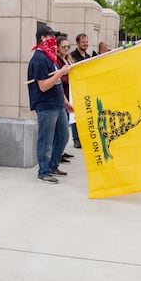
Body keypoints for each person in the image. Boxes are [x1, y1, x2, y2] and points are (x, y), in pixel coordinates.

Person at [27, 25, 72, 183]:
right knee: (46, 140)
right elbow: (43, 86)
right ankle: (43, 172)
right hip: (46, 106)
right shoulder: (39, 59)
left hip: (57, 105)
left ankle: (53, 165)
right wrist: (60, 72)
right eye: (51, 37)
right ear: (43, 39)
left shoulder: (50, 57)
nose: (54, 40)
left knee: (63, 136)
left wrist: (66, 103)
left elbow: (58, 83)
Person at [68, 33, 90, 148]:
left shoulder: (89, 56)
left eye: (86, 42)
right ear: (77, 43)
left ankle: (83, 137)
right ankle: (76, 138)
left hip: (85, 88)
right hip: (75, 90)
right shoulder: (72, 56)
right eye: (83, 42)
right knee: (75, 114)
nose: (85, 44)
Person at [56, 35, 75, 164]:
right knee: (60, 130)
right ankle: (57, 154)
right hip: (62, 96)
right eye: (64, 46)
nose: (66, 49)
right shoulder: (57, 62)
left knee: (65, 127)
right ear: (58, 47)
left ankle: (61, 151)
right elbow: (59, 79)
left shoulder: (68, 60)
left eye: (68, 46)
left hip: (69, 95)